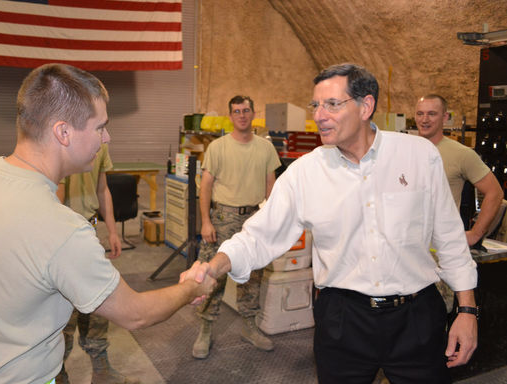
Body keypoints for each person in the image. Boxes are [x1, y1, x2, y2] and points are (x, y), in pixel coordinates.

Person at [0, 63, 215, 384]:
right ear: (64, 132)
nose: (107, 137)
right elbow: (135, 313)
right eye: (100, 127)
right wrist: (192, 288)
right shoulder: (61, 230)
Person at [188, 64, 479, 383]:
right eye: (316, 105)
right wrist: (212, 267)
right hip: (343, 320)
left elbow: (451, 237)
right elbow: (258, 236)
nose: (319, 115)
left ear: (366, 106)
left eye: (332, 104)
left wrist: (467, 310)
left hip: (417, 316)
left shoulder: (419, 156)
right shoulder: (305, 172)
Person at [192, 95, 281, 359]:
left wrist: (269, 222)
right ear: (230, 116)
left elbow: (271, 186)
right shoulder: (218, 147)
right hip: (222, 219)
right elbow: (205, 186)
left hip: (254, 219)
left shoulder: (266, 148)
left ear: (253, 113)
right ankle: (205, 329)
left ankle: (249, 327)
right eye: (236, 111)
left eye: (246, 110)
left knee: (253, 276)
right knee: (212, 274)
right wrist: (206, 221)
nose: (241, 115)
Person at [55, 143, 136, 384]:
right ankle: (58, 374)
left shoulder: (100, 144)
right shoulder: (63, 141)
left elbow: (102, 188)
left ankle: (102, 370)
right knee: (64, 310)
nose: (105, 133)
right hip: (65, 230)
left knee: (98, 301)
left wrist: (112, 230)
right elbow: (55, 195)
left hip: (89, 228)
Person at [415, 94, 503, 245]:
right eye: (420, 113)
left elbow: (495, 192)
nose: (424, 120)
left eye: (432, 114)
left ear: (445, 117)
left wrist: (475, 234)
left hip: (441, 248)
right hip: (407, 247)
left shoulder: (462, 154)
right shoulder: (404, 149)